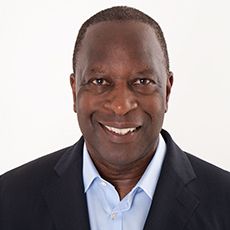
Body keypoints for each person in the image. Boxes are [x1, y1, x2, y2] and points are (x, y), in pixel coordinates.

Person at [0, 6, 230, 230]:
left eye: (142, 81)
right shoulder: (9, 199)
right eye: (99, 81)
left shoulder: (224, 202)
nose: (121, 106)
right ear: (74, 91)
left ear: (167, 91)